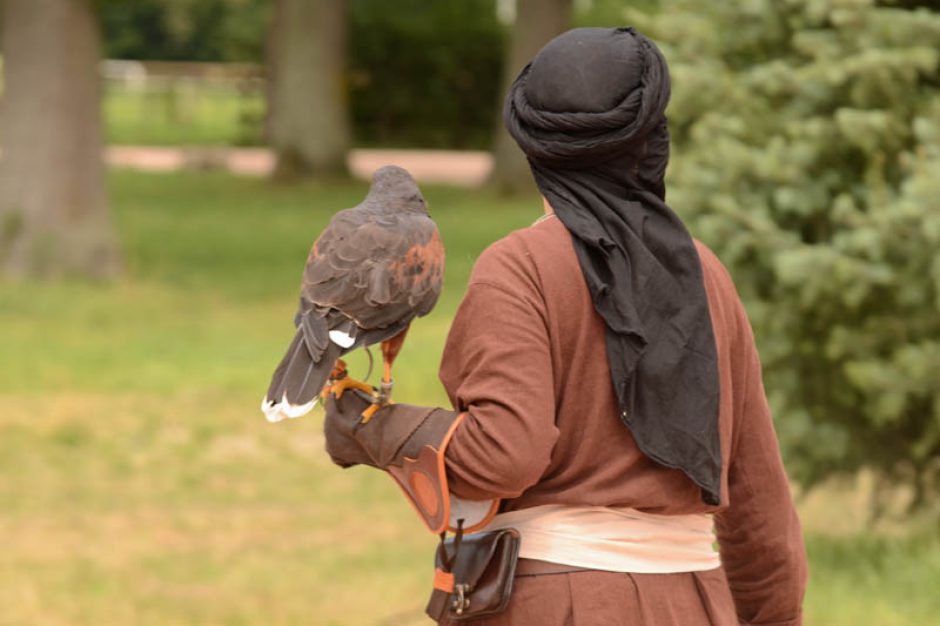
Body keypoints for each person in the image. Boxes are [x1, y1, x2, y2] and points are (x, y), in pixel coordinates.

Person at [323, 27, 807, 626]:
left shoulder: (519, 267)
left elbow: (505, 453)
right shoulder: (707, 275)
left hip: (553, 608)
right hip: (695, 607)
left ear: (536, 150)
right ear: (651, 141)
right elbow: (761, 511)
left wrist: (370, 426)